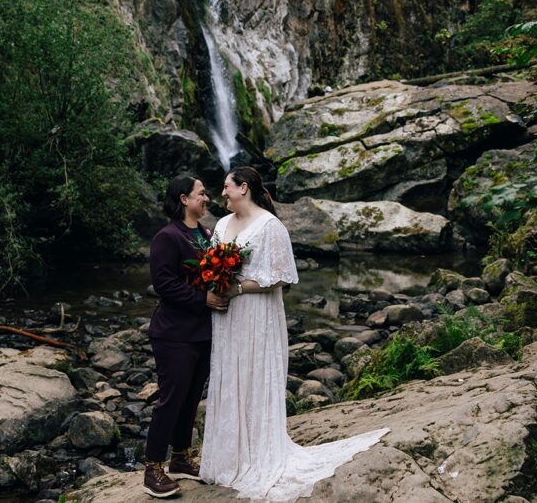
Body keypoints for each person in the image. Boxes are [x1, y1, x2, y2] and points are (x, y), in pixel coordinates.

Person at [199, 167, 389, 501]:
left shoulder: (271, 227)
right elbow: (211, 266)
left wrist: (239, 287)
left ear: (243, 188)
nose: (222, 193)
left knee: (255, 376)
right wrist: (216, 283)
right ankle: (229, 457)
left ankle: (257, 455)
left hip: (257, 315)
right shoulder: (221, 225)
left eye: (227, 187)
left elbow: (283, 276)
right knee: (230, 375)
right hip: (228, 317)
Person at [144, 174, 228, 498]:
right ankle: (152, 468)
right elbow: (163, 284)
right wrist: (202, 299)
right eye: (201, 194)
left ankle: (180, 457)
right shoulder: (167, 236)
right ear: (183, 199)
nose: (206, 199)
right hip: (173, 333)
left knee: (192, 397)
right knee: (171, 398)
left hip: (203, 332)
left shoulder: (206, 233)